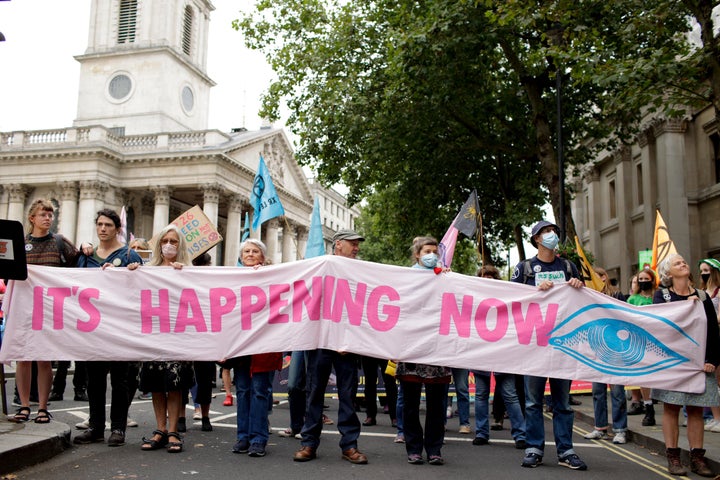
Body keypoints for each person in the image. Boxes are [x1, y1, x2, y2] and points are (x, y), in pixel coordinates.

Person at [510, 220, 587, 470]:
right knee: (533, 402)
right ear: (536, 240)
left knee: (562, 402)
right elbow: (511, 299)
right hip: (535, 345)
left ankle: (566, 451)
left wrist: (578, 286)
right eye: (545, 232)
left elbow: (585, 301)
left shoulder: (568, 266)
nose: (551, 235)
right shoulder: (525, 269)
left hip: (563, 344)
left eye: (553, 231)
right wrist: (534, 290)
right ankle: (534, 448)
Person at [293, 229, 368, 464]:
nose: (356, 247)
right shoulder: (318, 266)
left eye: (357, 244)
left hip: (347, 344)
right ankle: (309, 443)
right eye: (352, 243)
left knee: (348, 396)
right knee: (314, 393)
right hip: (319, 342)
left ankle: (349, 445)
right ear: (337, 245)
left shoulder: (363, 271)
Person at [72, 209, 144, 447]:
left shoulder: (129, 255)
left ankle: (118, 429)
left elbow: (141, 287)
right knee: (94, 380)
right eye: (100, 224)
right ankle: (95, 427)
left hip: (120, 328)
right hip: (93, 328)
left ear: (117, 229)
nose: (103, 229)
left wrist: (133, 273)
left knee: (121, 380)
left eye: (108, 225)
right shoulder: (86, 256)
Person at [8, 199, 81, 424]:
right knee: (23, 358)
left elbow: (79, 265)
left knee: (44, 359)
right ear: (32, 218)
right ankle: (23, 405)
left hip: (49, 310)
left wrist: (86, 250)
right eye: (43, 214)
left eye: (50, 215)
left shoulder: (59, 242)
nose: (48, 218)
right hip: (23, 309)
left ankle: (42, 407)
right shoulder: (20, 244)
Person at [129, 225, 195, 453]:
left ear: (181, 245)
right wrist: (130, 271)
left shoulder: (189, 270)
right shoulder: (148, 270)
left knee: (175, 385)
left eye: (174, 241)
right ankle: (160, 429)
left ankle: (174, 430)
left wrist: (183, 274)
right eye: (165, 240)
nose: (169, 244)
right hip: (154, 337)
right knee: (156, 385)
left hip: (178, 337)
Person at [652, 253, 719, 477]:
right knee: (671, 408)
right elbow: (659, 327)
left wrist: (711, 359)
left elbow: (712, 330)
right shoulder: (661, 296)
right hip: (672, 363)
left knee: (696, 409)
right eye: (677, 263)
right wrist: (685, 307)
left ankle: (697, 458)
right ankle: (673, 457)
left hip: (699, 363)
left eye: (684, 261)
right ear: (668, 273)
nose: (683, 264)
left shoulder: (702, 296)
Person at [395, 236, 451, 466]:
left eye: (435, 252)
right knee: (410, 404)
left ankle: (435, 449)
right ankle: (414, 448)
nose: (432, 255)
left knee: (437, 405)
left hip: (437, 349)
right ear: (417, 254)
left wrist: (449, 279)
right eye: (427, 251)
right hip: (412, 349)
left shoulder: (444, 277)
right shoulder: (404, 278)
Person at [230, 239, 282, 458]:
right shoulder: (232, 278)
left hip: (264, 345)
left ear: (262, 256)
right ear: (241, 257)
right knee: (242, 392)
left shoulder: (273, 275)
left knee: (260, 392)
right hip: (242, 345)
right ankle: (243, 436)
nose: (250, 254)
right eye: (246, 251)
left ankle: (258, 439)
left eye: (255, 251)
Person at [584, 267, 628, 445]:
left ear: (606, 277)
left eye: (601, 275)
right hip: (596, 349)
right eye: (595, 276)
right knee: (598, 391)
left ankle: (620, 429)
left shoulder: (617, 295)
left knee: (617, 391)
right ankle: (600, 427)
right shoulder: (587, 297)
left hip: (615, 349)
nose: (599, 279)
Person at [626, 268, 659, 426]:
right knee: (645, 377)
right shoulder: (633, 299)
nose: (643, 281)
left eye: (646, 278)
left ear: (652, 280)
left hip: (659, 340)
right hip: (641, 342)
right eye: (641, 279)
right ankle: (649, 407)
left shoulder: (658, 296)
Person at [698, 259, 720, 433]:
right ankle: (716, 417)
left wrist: (709, 319)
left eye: (706, 270)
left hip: (717, 336)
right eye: (701, 270)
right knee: (712, 381)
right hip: (706, 338)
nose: (703, 273)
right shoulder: (702, 292)